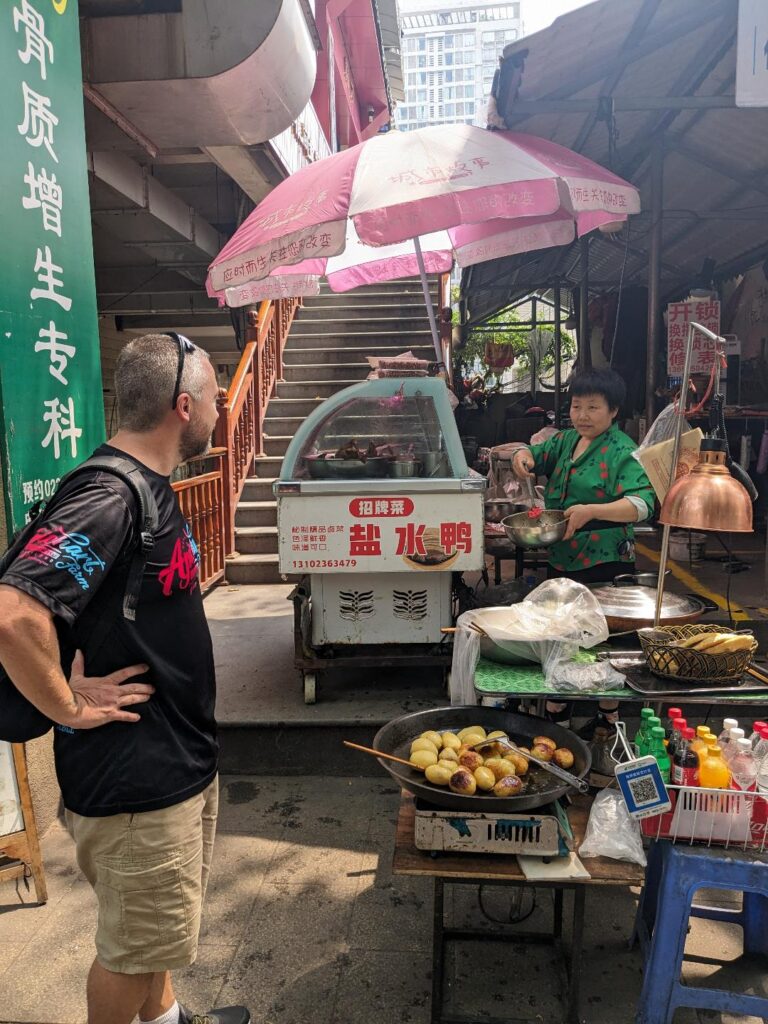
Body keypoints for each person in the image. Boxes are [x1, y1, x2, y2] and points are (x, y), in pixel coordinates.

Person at [0, 334, 249, 1024]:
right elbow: (13, 614)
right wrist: (67, 704)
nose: (218, 412)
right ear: (181, 406)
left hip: (173, 760)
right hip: (136, 777)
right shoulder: (110, 497)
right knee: (130, 951)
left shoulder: (147, 488)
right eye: (214, 401)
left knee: (155, 935)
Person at [512, 367, 655, 737]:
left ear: (613, 412)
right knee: (563, 636)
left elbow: (643, 504)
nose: (583, 416)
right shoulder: (566, 441)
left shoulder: (624, 450)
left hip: (605, 562)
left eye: (593, 408)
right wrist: (523, 457)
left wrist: (594, 511)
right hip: (564, 558)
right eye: (577, 406)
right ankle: (559, 713)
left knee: (602, 642)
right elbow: (534, 453)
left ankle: (608, 720)